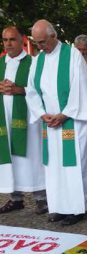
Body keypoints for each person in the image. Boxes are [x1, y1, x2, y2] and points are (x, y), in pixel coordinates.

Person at [26, 20, 87, 226]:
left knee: (73, 164)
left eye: (42, 41)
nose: (40, 46)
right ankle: (59, 207)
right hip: (50, 123)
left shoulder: (72, 55)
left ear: (53, 36)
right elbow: (31, 90)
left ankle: (77, 208)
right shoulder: (38, 60)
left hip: (72, 122)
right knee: (54, 166)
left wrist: (65, 114)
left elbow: (80, 87)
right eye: (37, 42)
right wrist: (42, 114)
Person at [0, 26, 46, 215]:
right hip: (4, 120)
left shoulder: (33, 62)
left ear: (22, 40)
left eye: (12, 39)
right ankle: (15, 198)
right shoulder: (0, 62)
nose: (8, 43)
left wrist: (20, 90)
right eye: (5, 40)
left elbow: (43, 89)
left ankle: (41, 199)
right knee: (10, 158)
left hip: (27, 120)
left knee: (32, 157)